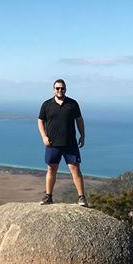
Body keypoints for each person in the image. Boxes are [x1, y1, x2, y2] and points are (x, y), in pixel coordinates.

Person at [37, 78, 88, 207]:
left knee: (75, 169)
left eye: (62, 88)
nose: (60, 90)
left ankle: (82, 197)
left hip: (70, 143)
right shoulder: (46, 105)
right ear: (53, 90)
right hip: (52, 144)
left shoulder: (72, 104)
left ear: (65, 89)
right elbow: (40, 121)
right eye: (57, 88)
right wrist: (44, 137)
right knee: (51, 169)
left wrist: (82, 135)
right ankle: (48, 196)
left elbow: (79, 120)